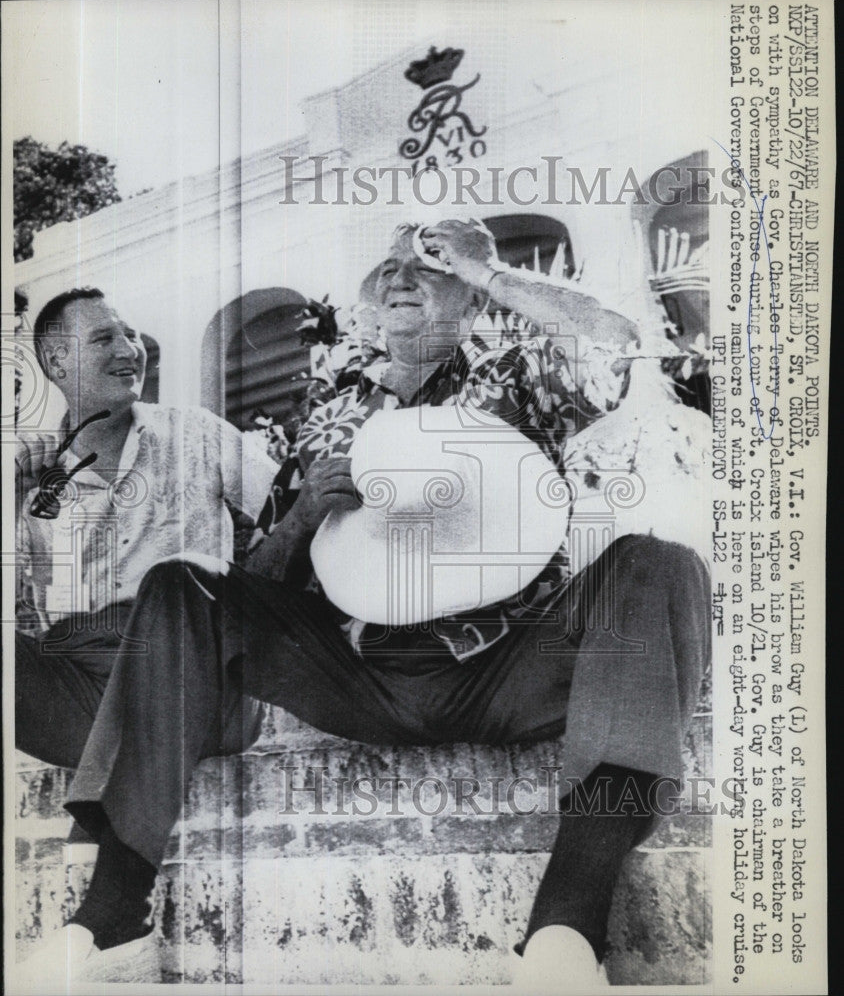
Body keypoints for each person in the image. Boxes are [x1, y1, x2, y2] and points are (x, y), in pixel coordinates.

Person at [17, 227, 710, 991]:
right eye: (389, 267)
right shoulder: (330, 410)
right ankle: (113, 917)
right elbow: (265, 582)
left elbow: (624, 343)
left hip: (507, 666)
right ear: (371, 302)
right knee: (186, 585)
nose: (403, 276)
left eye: (432, 264)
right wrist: (301, 516)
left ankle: (566, 928)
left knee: (657, 565)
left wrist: (491, 270)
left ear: (472, 291)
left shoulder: (523, 371)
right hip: (362, 674)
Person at [14, 288, 279, 975]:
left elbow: (296, 517)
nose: (130, 350)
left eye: (132, 336)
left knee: (175, 587)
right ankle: (121, 912)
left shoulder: (199, 432)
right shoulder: (32, 476)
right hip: (81, 689)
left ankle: (112, 899)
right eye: (104, 338)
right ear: (54, 358)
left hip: (203, 675)